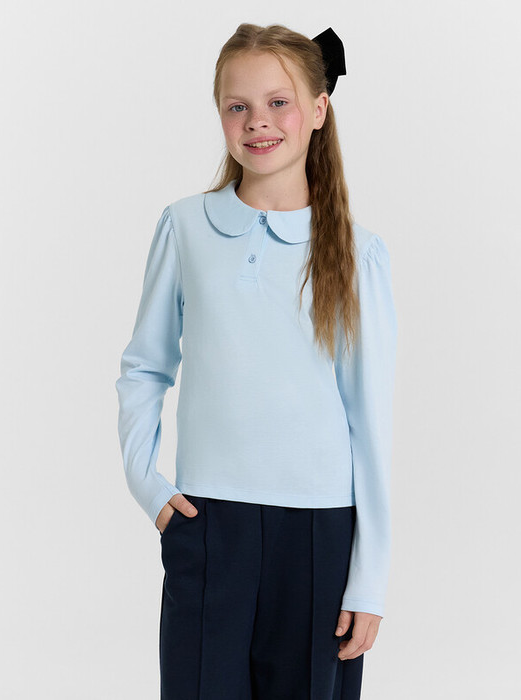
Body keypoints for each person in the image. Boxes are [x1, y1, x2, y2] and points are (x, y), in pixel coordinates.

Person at [115, 22, 398, 700]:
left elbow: (370, 423)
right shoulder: (185, 227)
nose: (257, 121)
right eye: (237, 105)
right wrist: (149, 488)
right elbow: (145, 367)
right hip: (208, 523)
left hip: (320, 535)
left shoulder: (356, 254)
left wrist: (369, 578)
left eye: (278, 102)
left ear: (319, 109)